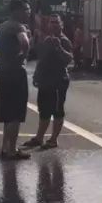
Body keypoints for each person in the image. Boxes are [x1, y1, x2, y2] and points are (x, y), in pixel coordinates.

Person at [24, 15, 73, 149]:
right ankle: (39, 137)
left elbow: (69, 59)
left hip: (58, 81)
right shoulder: (45, 40)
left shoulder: (64, 40)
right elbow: (41, 59)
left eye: (57, 23)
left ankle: (53, 139)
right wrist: (36, 75)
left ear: (61, 25)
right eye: (51, 22)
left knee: (57, 110)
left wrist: (59, 48)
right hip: (45, 81)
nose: (54, 25)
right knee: (44, 110)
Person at [0, 0, 32, 160]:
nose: (28, 12)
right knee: (16, 115)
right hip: (16, 73)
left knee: (7, 115)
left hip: (3, 72)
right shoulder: (18, 26)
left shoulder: (3, 27)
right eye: (26, 9)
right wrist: (23, 56)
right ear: (16, 11)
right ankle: (12, 150)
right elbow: (24, 43)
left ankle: (5, 147)